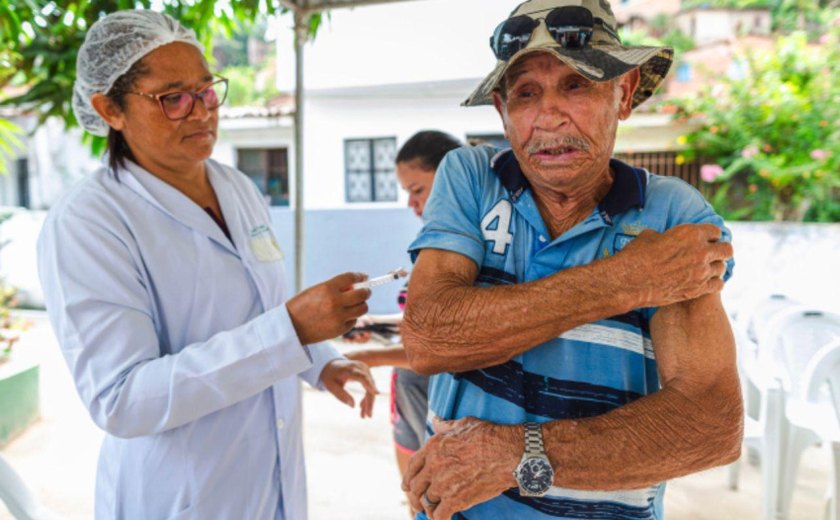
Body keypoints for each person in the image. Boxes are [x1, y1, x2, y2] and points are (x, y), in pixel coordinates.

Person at [400, 1, 742, 519]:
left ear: (623, 94)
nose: (548, 115)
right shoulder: (472, 177)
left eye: (577, 85)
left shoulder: (672, 213)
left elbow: (710, 424)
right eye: (526, 93)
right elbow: (428, 337)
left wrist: (517, 454)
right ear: (502, 110)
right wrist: (626, 280)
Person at [36, 11, 377, 520]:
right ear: (110, 110)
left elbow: (255, 311)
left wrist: (319, 359)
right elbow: (122, 398)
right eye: (172, 98)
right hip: (180, 496)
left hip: (271, 480)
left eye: (207, 90)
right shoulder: (90, 221)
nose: (201, 112)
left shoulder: (235, 187)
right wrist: (290, 331)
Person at [344, 130, 463, 517]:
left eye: (417, 190)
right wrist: (373, 323)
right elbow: (422, 324)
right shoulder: (433, 241)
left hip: (441, 404)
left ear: (450, 180)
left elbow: (444, 347)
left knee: (437, 506)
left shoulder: (470, 253)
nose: (411, 203)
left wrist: (368, 356)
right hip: (409, 399)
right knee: (416, 507)